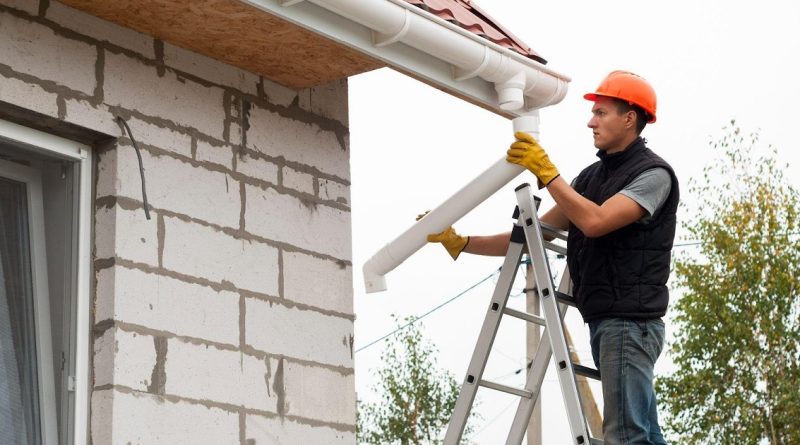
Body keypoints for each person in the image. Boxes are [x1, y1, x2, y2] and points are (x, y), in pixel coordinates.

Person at [426, 71, 678, 445]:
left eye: (601, 112)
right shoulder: (591, 178)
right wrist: (462, 242)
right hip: (609, 320)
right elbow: (533, 236)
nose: (590, 121)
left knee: (627, 437)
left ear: (630, 118)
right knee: (643, 435)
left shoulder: (653, 175)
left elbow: (595, 222)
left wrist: (548, 174)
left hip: (630, 321)